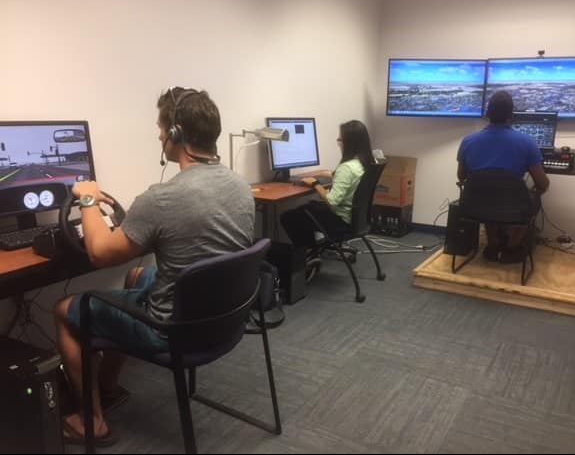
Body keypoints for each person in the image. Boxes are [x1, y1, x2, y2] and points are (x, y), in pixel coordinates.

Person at [53, 87, 255, 446]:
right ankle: (108, 387)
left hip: (172, 331)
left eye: (162, 129)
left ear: (176, 133)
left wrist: (87, 196)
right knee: (135, 276)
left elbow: (99, 252)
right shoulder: (241, 186)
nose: (159, 136)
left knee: (66, 309)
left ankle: (92, 421)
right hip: (224, 321)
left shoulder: (160, 199)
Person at [456, 90, 550, 263]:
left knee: (488, 196)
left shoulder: (468, 140)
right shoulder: (527, 142)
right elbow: (543, 184)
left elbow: (461, 176)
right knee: (532, 198)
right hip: (514, 208)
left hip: (475, 205)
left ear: (488, 113)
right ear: (512, 114)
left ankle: (493, 244)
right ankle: (511, 247)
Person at [280, 120, 375, 259]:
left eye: (340, 139)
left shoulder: (347, 168)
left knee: (290, 217)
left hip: (341, 221)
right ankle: (311, 253)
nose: (338, 143)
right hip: (357, 221)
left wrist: (315, 184)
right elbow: (349, 182)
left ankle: (309, 256)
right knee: (308, 209)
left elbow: (332, 200)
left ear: (349, 142)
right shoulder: (364, 163)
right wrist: (333, 175)